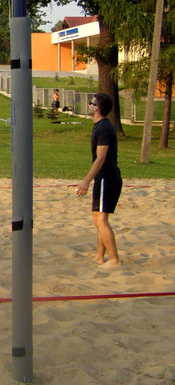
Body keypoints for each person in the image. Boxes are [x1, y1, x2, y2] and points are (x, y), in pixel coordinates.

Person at [74, 92, 123, 268]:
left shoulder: (103, 128)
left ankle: (114, 259)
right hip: (104, 179)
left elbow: (101, 158)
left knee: (101, 220)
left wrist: (86, 181)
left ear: (97, 108)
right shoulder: (100, 126)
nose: (88, 105)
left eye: (90, 103)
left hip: (107, 179)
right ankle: (99, 256)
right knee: (98, 218)